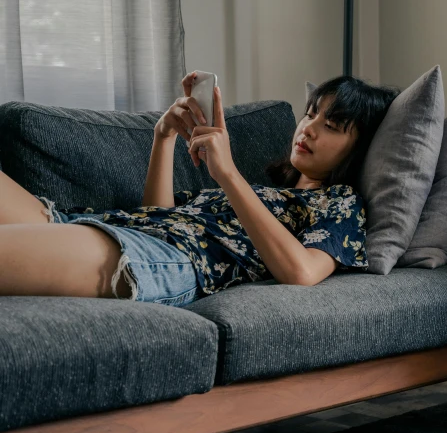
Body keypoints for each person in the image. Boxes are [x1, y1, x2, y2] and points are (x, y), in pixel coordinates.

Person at [0, 73, 398, 306]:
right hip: (126, 230)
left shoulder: (341, 203)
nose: (308, 128)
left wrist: (226, 174)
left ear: (357, 148)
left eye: (332, 126)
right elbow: (160, 215)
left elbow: (302, 270)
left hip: (163, 258)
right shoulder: (266, 190)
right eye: (312, 113)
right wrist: (164, 136)